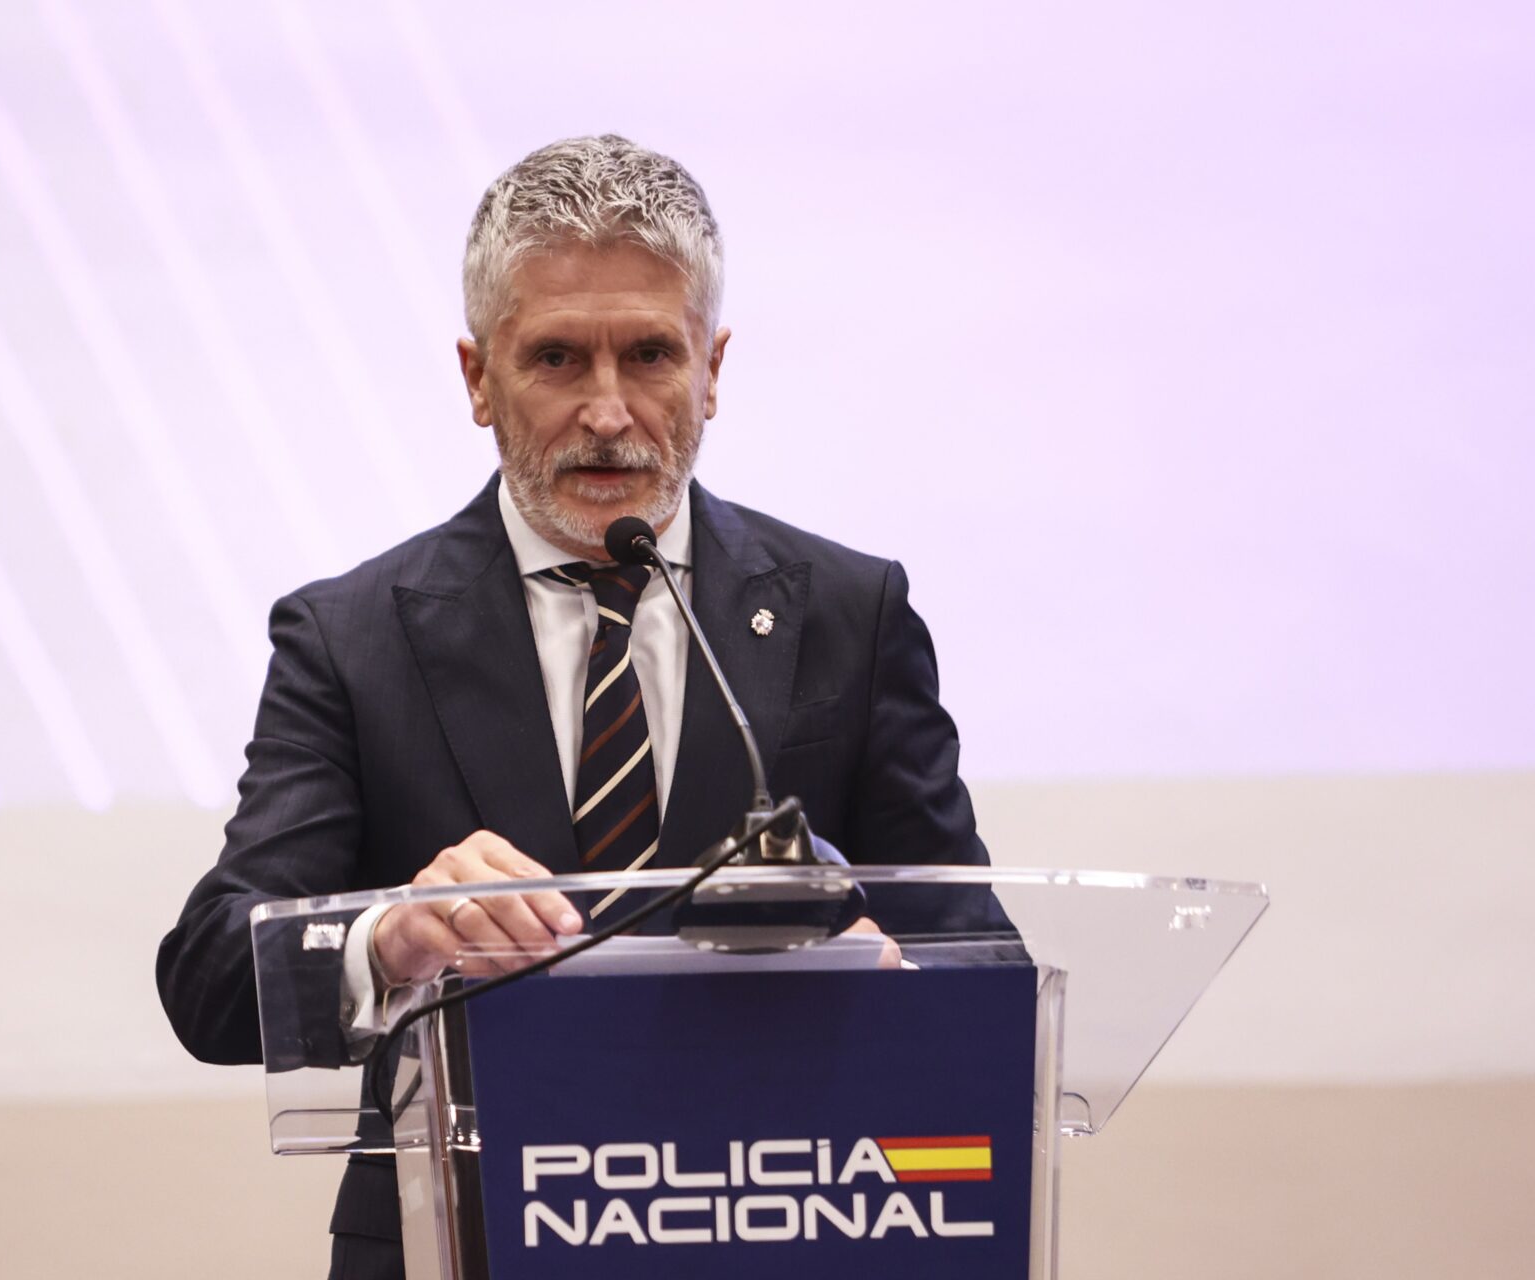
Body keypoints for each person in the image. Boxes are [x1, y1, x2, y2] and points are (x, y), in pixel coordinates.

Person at [156, 134, 992, 1280]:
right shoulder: (351, 635)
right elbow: (211, 972)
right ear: (478, 378)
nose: (607, 411)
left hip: (786, 1219)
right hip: (463, 1237)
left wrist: (889, 976)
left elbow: (982, 960)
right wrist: (389, 937)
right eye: (556, 357)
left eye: (650, 354)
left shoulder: (851, 610)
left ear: (712, 368)